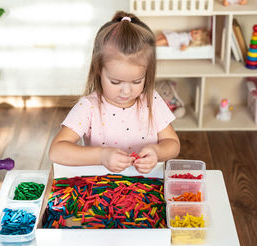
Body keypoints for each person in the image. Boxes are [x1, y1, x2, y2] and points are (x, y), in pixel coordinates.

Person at [49, 11, 180, 174]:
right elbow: (56, 151)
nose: (126, 91)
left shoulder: (151, 100)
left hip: (146, 186)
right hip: (99, 189)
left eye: (137, 81)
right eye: (115, 82)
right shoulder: (89, 107)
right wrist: (101, 156)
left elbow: (173, 143)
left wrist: (157, 152)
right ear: (98, 70)